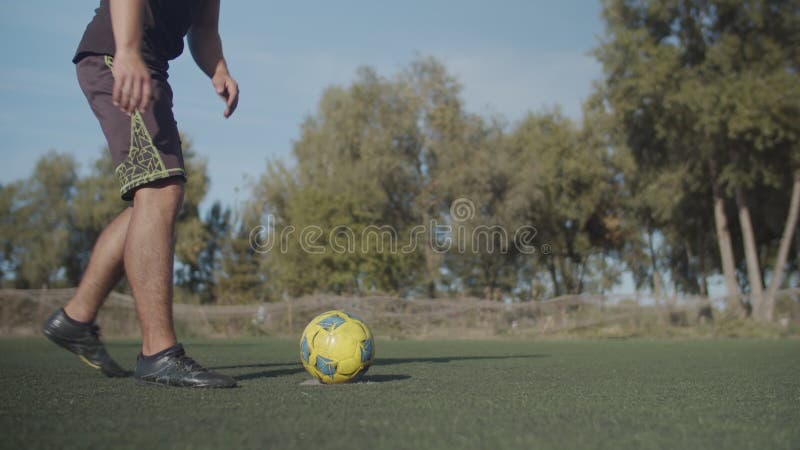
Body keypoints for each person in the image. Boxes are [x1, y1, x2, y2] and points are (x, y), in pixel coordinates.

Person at [42, 0, 239, 388]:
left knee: (153, 202)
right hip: (118, 56)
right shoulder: (124, 51)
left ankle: (76, 318)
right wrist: (128, 50)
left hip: (146, 66)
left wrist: (219, 69)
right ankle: (158, 353)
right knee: (160, 190)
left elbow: (204, 29)